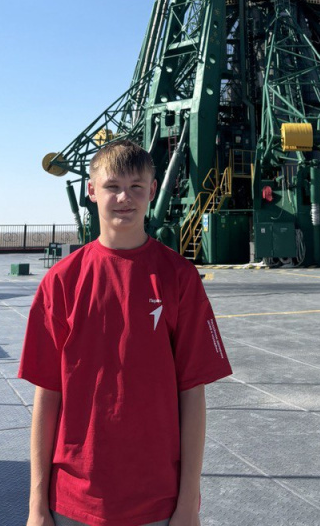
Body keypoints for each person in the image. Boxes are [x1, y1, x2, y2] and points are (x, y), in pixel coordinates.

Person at [19, 139, 232, 526]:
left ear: (152, 191)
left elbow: (192, 396)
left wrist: (188, 504)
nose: (124, 198)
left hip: (157, 504)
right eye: (112, 186)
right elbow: (47, 396)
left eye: (136, 187)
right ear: (91, 190)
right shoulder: (61, 282)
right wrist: (37, 505)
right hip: (71, 503)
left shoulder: (179, 278)